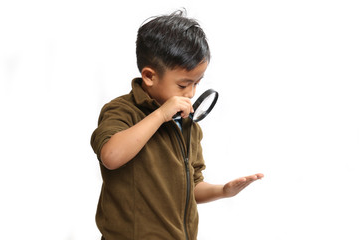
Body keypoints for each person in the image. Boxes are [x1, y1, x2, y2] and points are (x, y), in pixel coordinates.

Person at [90, 10, 264, 240]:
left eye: (196, 83)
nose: (191, 93)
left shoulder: (187, 125)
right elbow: (111, 156)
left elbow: (192, 187)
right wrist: (161, 114)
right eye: (183, 85)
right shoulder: (122, 111)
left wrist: (223, 191)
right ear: (149, 76)